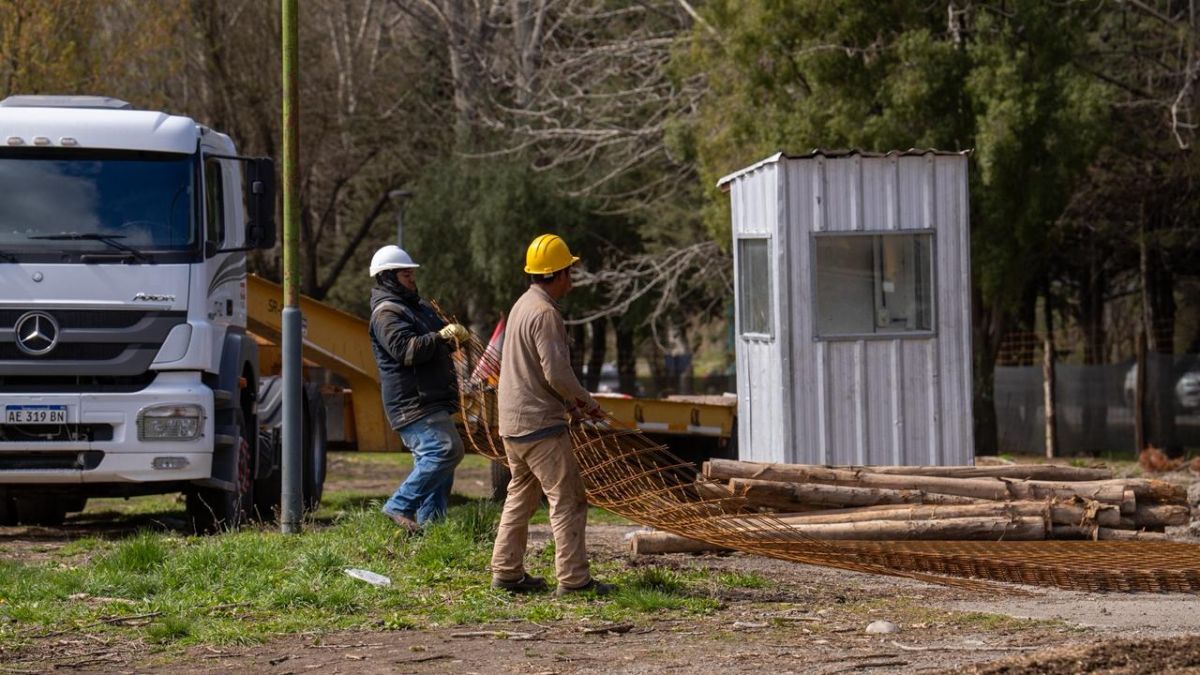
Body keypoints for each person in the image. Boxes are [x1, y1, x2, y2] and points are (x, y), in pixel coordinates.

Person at [490, 234, 613, 596]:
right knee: (568, 499)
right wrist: (586, 401)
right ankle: (575, 581)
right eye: (569, 272)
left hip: (513, 423)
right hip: (539, 425)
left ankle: (506, 572)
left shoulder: (522, 305)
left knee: (521, 496)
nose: (571, 280)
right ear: (558, 274)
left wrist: (572, 404)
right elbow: (556, 374)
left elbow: (536, 371)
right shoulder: (545, 313)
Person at [367, 245, 470, 533]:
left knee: (440, 466)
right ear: (387, 278)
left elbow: (435, 338)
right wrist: (439, 337)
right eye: (405, 274)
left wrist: (451, 335)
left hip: (430, 398)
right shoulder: (386, 314)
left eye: (412, 274)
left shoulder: (417, 307)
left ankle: (431, 531)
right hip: (412, 402)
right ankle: (399, 505)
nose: (412, 279)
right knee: (445, 451)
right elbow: (406, 351)